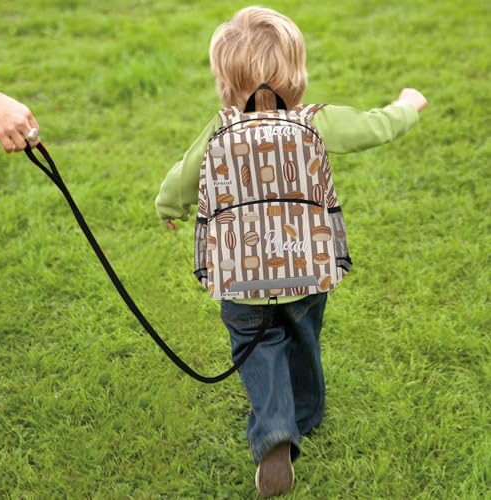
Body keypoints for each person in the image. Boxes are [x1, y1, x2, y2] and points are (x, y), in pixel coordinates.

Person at [155, 6, 427, 497]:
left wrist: (167, 206)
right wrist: (408, 103)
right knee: (302, 336)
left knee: (256, 349)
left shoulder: (219, 129)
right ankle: (306, 414)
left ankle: (275, 431)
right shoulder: (315, 121)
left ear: (224, 83)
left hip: (240, 277)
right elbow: (374, 127)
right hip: (306, 268)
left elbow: (183, 178)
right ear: (297, 75)